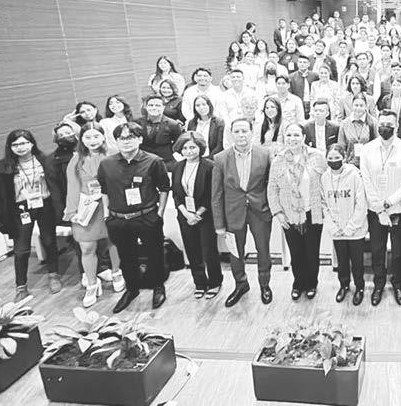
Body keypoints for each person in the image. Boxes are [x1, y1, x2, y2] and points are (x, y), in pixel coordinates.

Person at [97, 122, 171, 313]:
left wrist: (159, 214)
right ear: (116, 141)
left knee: (154, 254)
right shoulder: (106, 164)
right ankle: (132, 289)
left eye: (131, 137)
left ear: (139, 139)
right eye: (122, 138)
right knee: (126, 256)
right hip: (118, 219)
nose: (126, 141)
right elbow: (104, 190)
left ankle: (158, 287)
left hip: (146, 216)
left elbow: (164, 188)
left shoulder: (153, 161)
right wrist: (107, 215)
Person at [0, 129, 63, 301]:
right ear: (10, 146)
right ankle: (21, 286)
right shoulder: (3, 167)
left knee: (49, 241)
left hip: (45, 205)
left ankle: (53, 275)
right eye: (16, 144)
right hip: (21, 209)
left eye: (24, 143)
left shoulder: (45, 161)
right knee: (21, 249)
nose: (21, 147)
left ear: (32, 143)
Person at [360, 110, 401, 307]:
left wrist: (389, 203)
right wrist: (379, 207)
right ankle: (378, 284)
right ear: (377, 125)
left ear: (397, 126)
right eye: (382, 124)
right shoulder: (367, 149)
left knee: (398, 251)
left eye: (389, 124)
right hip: (375, 210)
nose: (385, 127)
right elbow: (366, 179)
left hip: (398, 209)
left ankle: (397, 283)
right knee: (377, 249)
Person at [211, 119, 274, 306]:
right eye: (236, 131)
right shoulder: (220, 159)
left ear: (252, 132)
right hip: (232, 213)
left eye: (244, 131)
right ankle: (241, 284)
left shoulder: (265, 155)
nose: (241, 135)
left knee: (263, 250)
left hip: (260, 211)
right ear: (231, 134)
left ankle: (265, 284)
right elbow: (216, 194)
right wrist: (219, 224)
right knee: (235, 252)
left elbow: (271, 186)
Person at [64, 123, 124, 307]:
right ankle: (91, 283)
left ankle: (117, 272)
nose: (92, 141)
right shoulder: (76, 160)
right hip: (86, 208)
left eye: (96, 136)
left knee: (114, 241)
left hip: (110, 205)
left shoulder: (113, 155)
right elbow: (72, 186)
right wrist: (72, 211)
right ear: (81, 139)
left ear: (103, 137)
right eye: (88, 137)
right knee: (87, 247)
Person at [267, 123, 327, 300]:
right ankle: (298, 284)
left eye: (296, 135)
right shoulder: (278, 160)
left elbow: (326, 182)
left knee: (312, 251)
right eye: (289, 135)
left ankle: (311, 284)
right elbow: (272, 188)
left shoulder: (317, 156)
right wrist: (278, 213)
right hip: (289, 214)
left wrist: (325, 208)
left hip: (312, 212)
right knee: (296, 251)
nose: (292, 139)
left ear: (304, 137)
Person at [170, 132, 223, 300]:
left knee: (209, 251)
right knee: (192, 250)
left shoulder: (210, 166)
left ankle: (215, 282)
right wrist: (186, 213)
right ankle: (200, 283)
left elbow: (212, 194)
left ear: (200, 147)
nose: (189, 151)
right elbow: (176, 194)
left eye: (192, 147)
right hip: (185, 215)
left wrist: (198, 213)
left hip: (205, 215)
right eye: (185, 148)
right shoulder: (177, 167)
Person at [320, 144, 367, 306]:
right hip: (337, 231)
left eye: (337, 158)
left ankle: (359, 288)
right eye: (330, 158)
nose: (334, 161)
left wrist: (350, 227)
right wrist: (333, 227)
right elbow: (323, 204)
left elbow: (361, 204)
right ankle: (344, 285)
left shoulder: (354, 175)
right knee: (342, 261)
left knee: (357, 262)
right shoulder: (324, 178)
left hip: (355, 230)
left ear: (344, 158)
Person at [137, 94, 183, 171]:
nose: (154, 108)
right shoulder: (137, 123)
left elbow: (178, 143)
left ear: (163, 107)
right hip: (143, 162)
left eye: (157, 105)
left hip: (166, 162)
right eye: (151, 105)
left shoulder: (173, 125)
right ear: (145, 107)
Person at [337, 93, 377, 167]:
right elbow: (341, 146)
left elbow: (377, 144)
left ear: (366, 106)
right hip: (350, 164)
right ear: (352, 106)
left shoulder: (373, 122)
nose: (358, 108)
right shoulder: (344, 123)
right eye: (356, 105)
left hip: (369, 164)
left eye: (361, 105)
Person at [185, 95, 226, 159]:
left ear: (209, 105)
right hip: (194, 157)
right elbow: (189, 142)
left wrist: (208, 159)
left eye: (204, 104)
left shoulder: (219, 122)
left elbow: (219, 145)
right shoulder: (191, 123)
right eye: (198, 105)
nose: (201, 107)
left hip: (213, 158)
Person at [289, 54, 319, 119]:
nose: (302, 64)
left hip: (312, 103)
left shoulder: (315, 76)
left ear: (309, 64)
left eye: (304, 62)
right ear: (297, 64)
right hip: (299, 103)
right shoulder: (291, 77)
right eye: (300, 62)